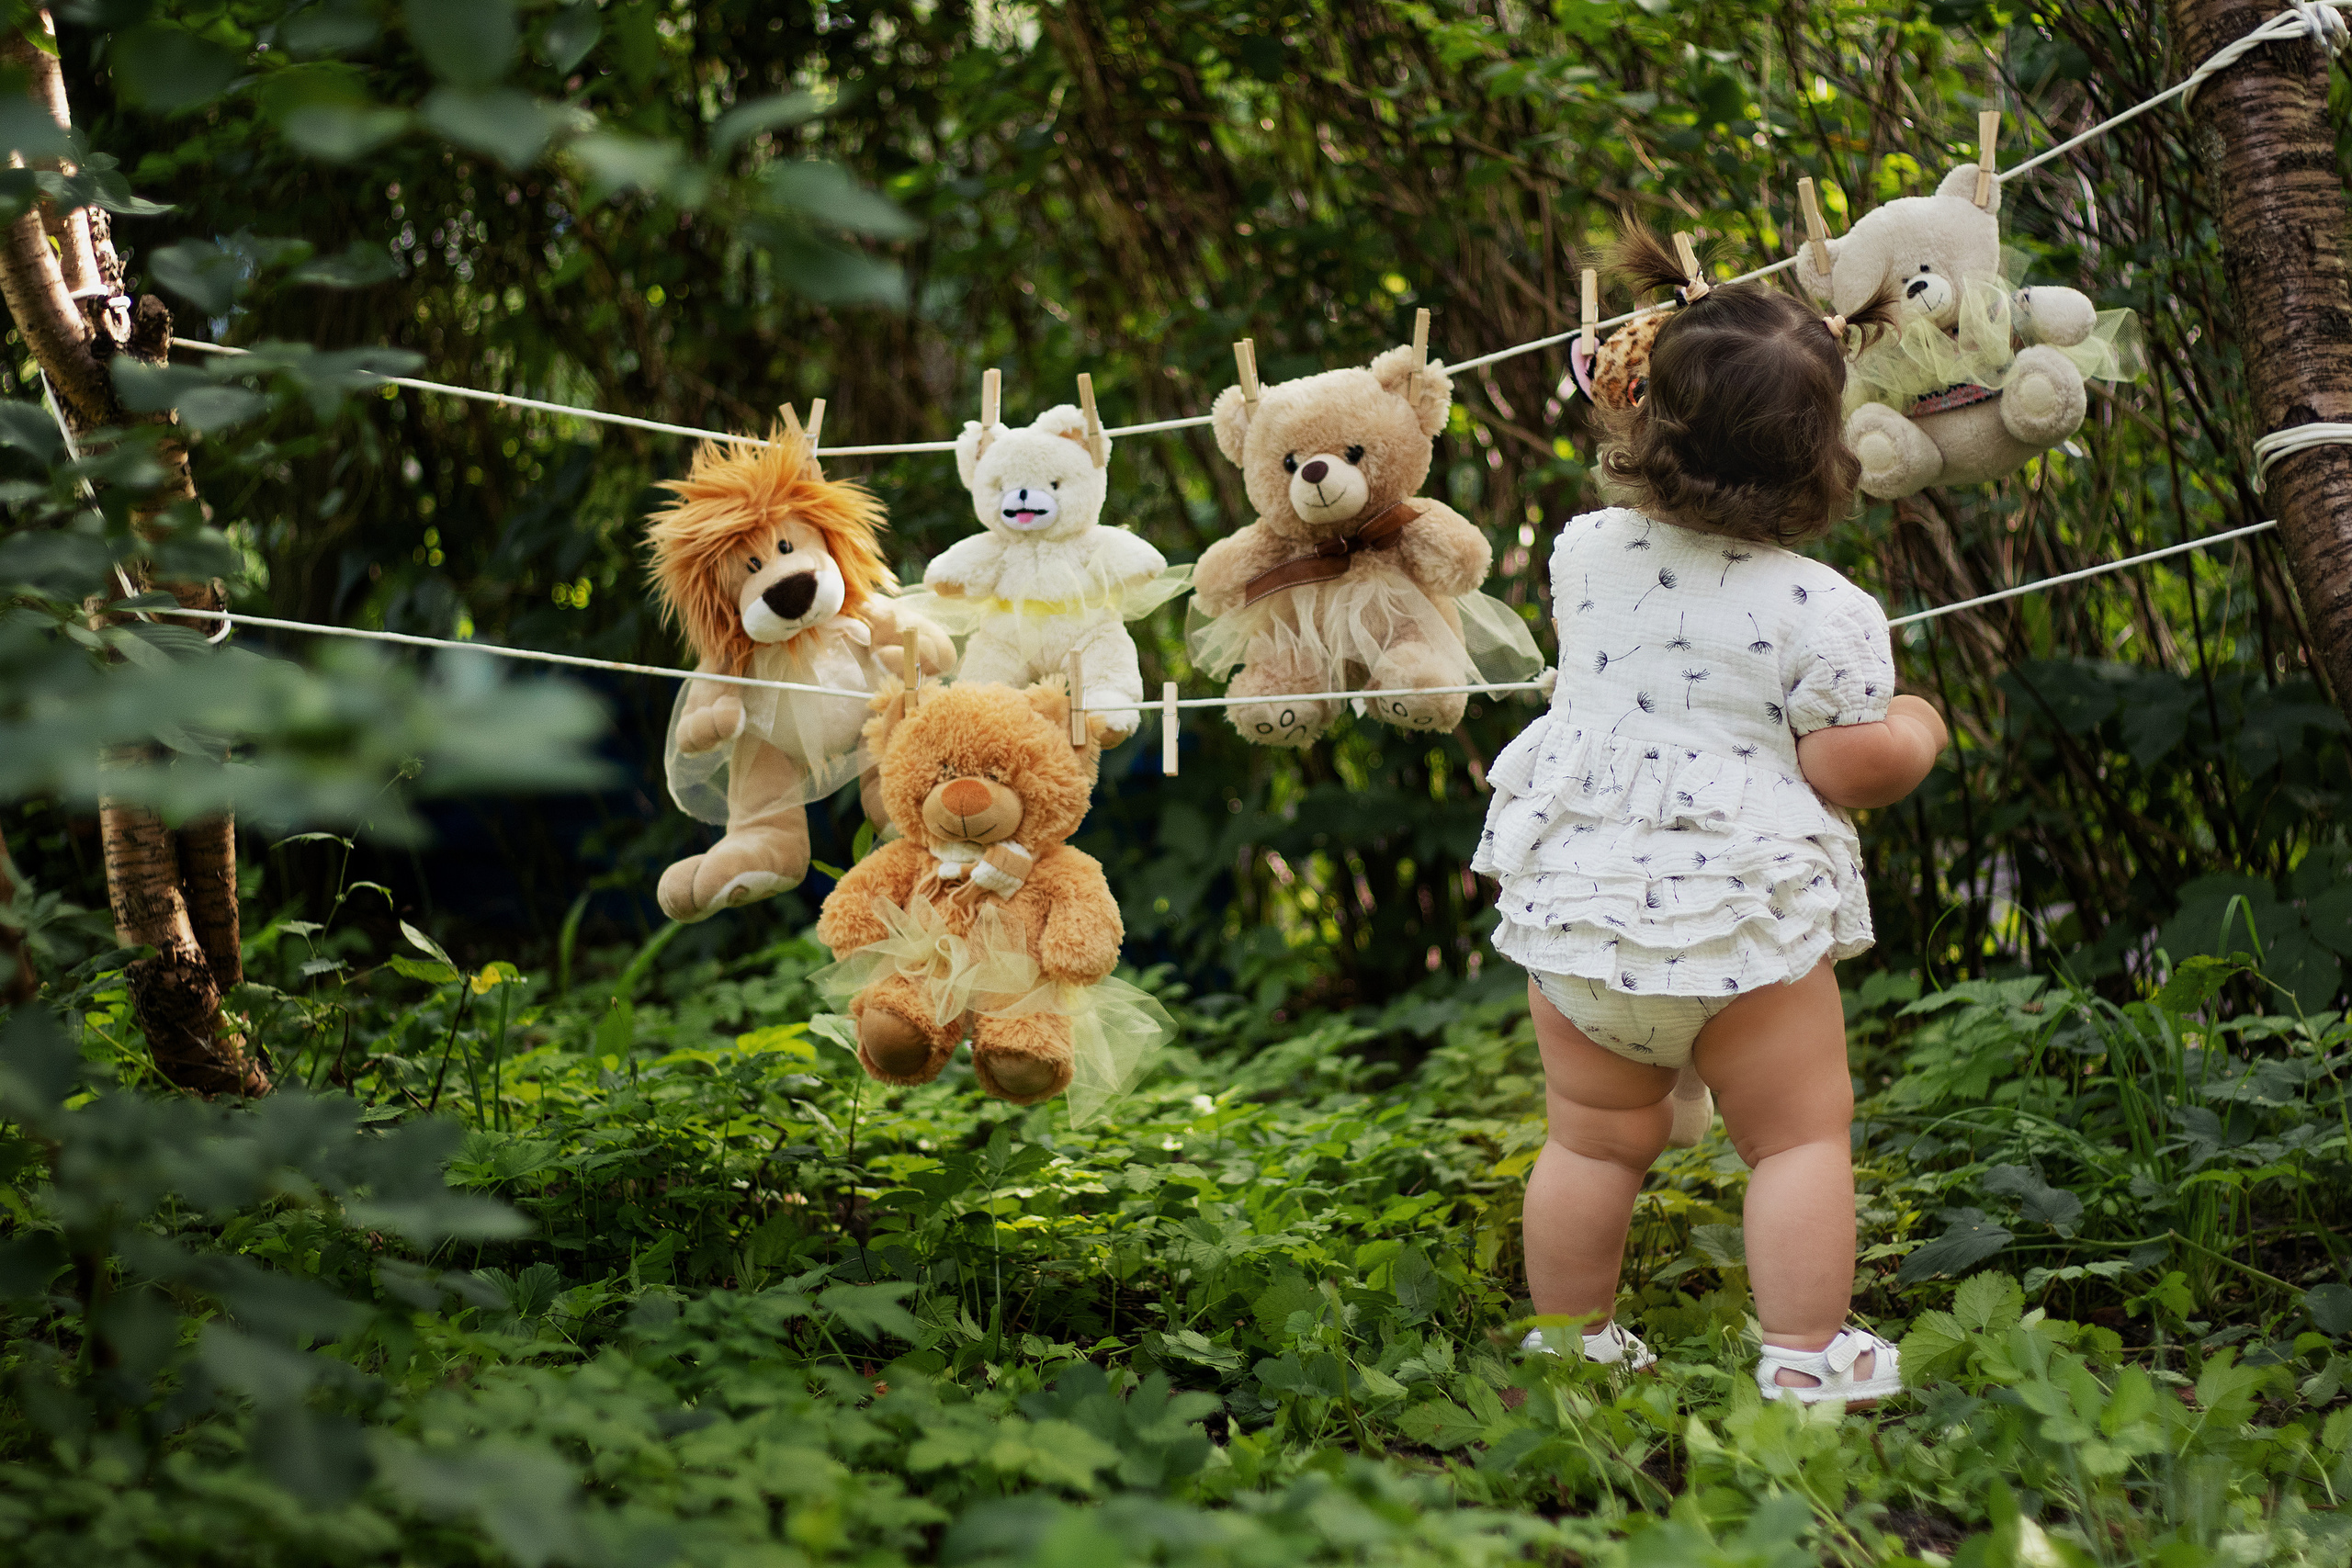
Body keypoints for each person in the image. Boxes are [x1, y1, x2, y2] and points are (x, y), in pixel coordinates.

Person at [1474, 228, 1947, 1403]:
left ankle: (1571, 1343)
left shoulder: (1583, 554)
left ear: (1642, 420)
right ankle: (1802, 1357)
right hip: (1742, 927)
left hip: (1583, 916)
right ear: (1825, 455)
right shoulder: (1824, 609)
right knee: (1795, 1140)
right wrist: (1919, 731)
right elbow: (1846, 768)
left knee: (1590, 1141)